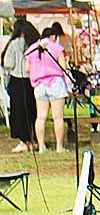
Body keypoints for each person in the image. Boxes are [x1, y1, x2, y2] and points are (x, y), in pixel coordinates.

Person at [25, 24, 69, 153]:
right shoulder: (56, 48)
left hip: (39, 85)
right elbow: (63, 67)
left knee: (41, 117)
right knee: (58, 117)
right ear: (53, 36)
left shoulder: (32, 49)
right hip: (55, 82)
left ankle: (41, 146)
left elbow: (27, 68)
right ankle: (59, 146)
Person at [3, 19, 39, 152]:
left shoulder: (14, 44)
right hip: (32, 80)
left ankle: (24, 141)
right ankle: (34, 139)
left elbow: (8, 63)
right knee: (32, 110)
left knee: (19, 112)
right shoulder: (34, 43)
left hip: (17, 79)